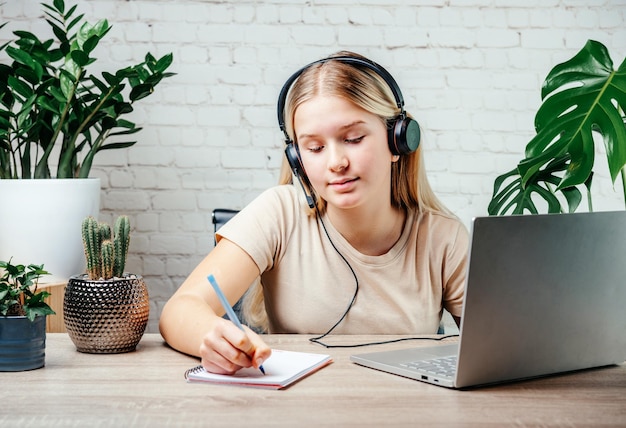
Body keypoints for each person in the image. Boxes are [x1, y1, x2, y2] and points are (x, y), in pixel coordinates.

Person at [159, 51, 469, 375]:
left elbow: (495, 347)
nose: (336, 162)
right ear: (296, 158)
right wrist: (213, 338)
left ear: (398, 140)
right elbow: (179, 311)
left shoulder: (442, 237)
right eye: (315, 148)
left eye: (353, 138)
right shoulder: (279, 214)